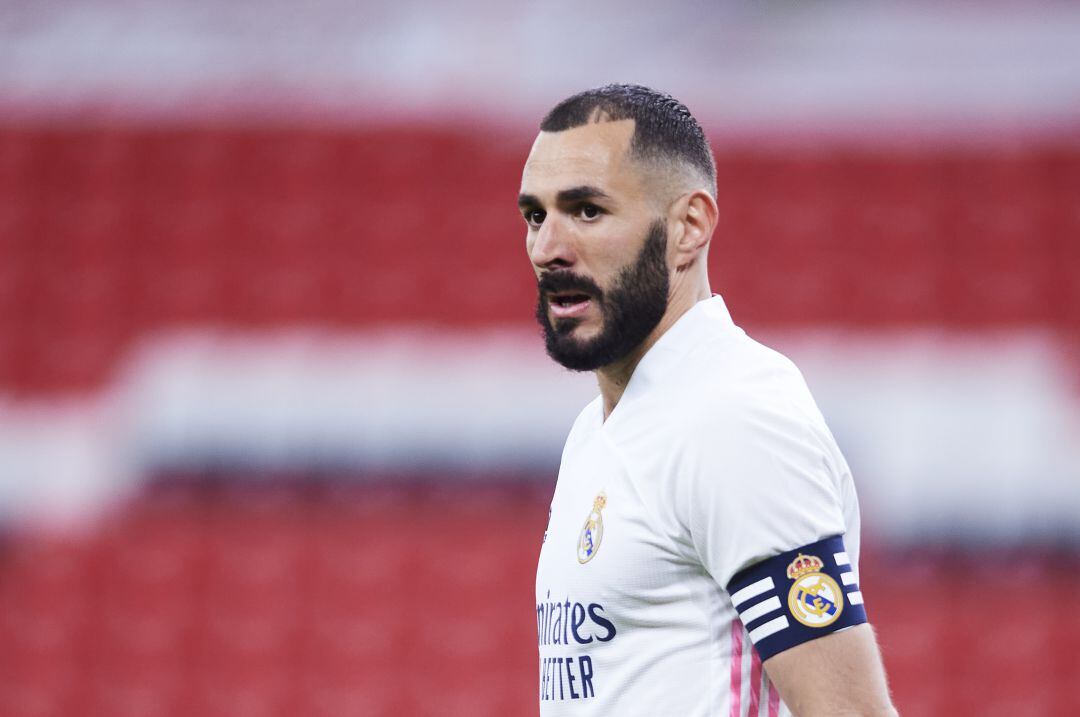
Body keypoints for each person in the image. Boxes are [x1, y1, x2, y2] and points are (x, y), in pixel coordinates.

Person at [521, 85, 897, 717]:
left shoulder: (732, 420)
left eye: (586, 210)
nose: (546, 248)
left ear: (688, 227)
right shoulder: (599, 429)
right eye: (536, 215)